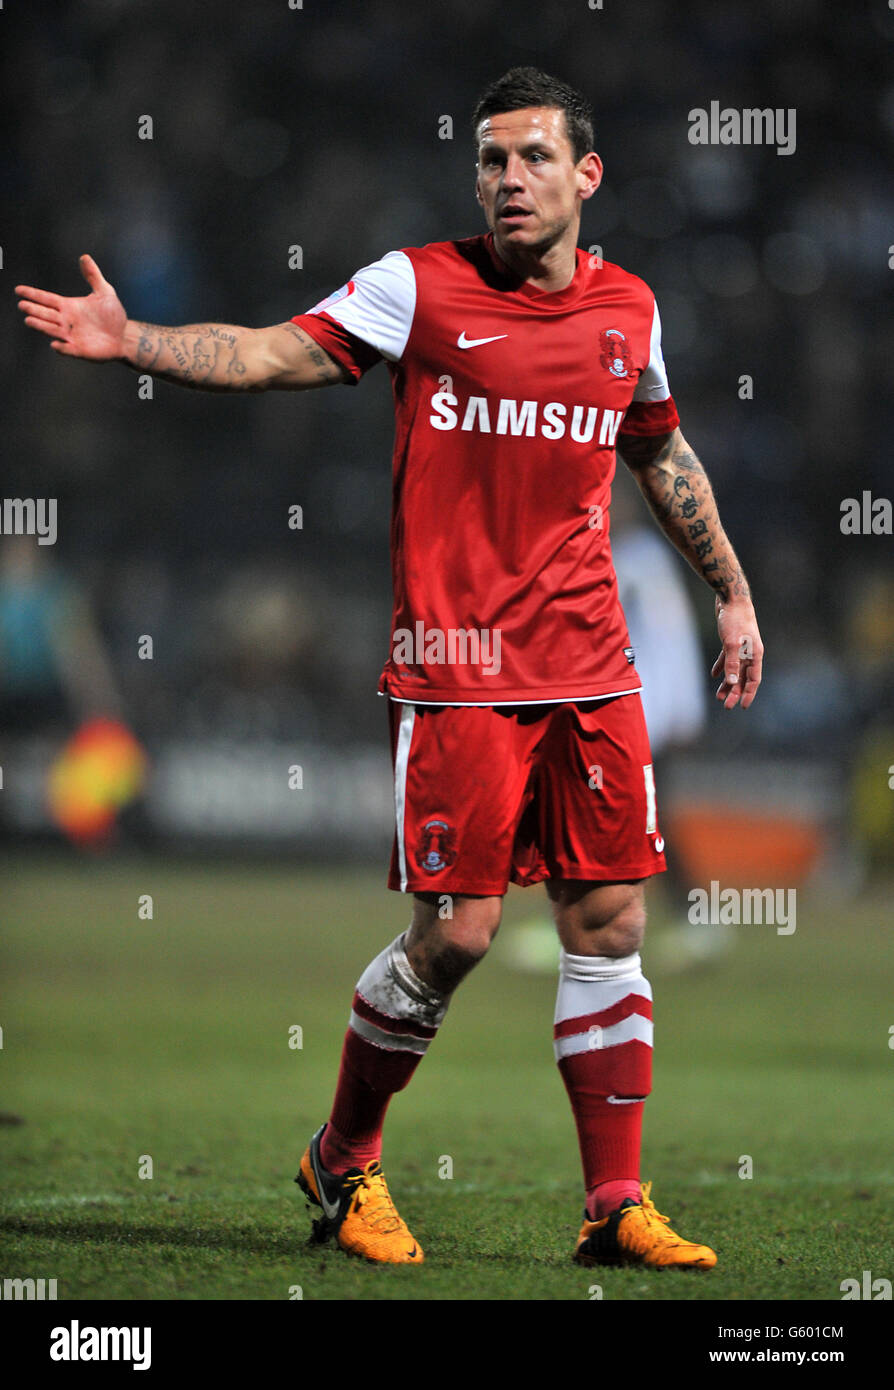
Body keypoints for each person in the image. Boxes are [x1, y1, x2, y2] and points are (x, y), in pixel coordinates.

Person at [16, 66, 763, 1271]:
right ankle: (344, 1154)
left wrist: (730, 594)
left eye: (530, 157)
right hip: (459, 669)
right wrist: (132, 341)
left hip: (593, 667)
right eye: (488, 159)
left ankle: (613, 1203)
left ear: (587, 175)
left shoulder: (633, 309)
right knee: (458, 939)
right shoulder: (417, 285)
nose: (506, 179)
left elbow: (662, 452)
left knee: (610, 916)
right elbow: (268, 353)